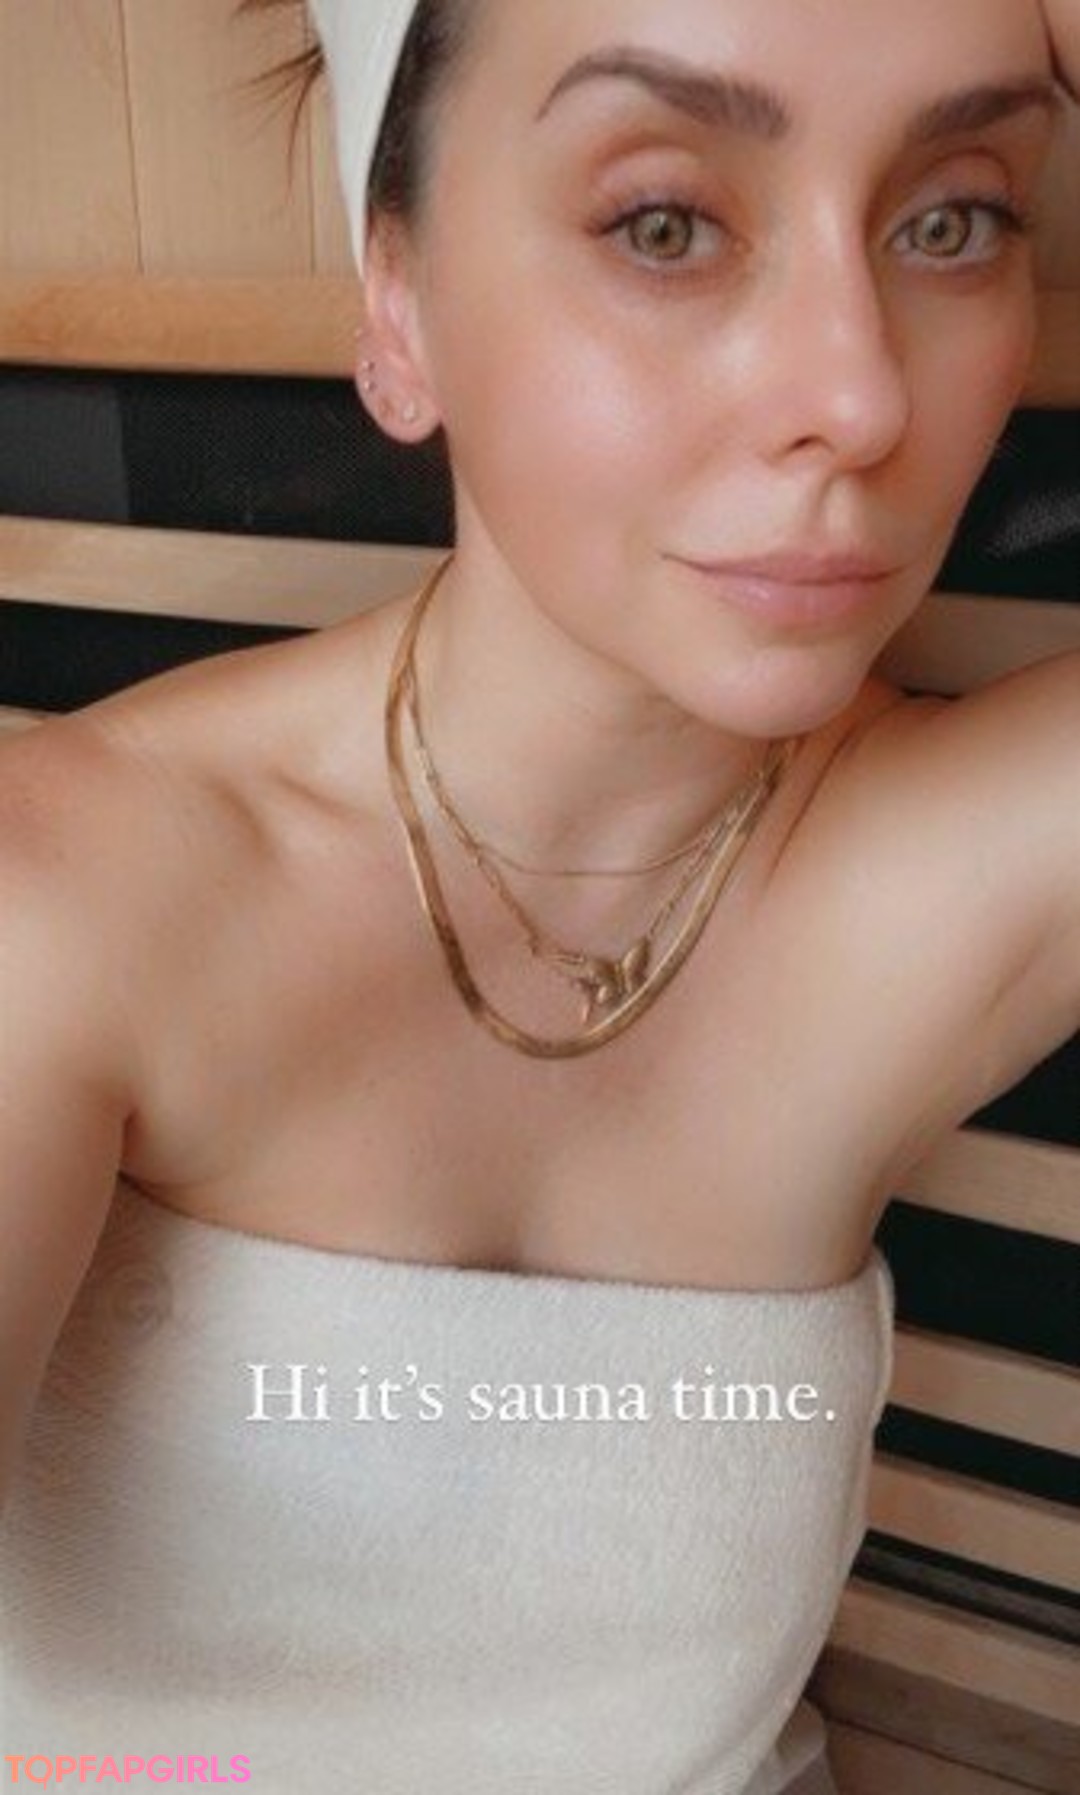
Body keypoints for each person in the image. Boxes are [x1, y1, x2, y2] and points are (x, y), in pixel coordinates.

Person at [0, 1, 1077, 1789]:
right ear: (401, 305)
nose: (860, 395)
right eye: (664, 222)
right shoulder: (71, 898)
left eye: (952, 216)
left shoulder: (959, 869)